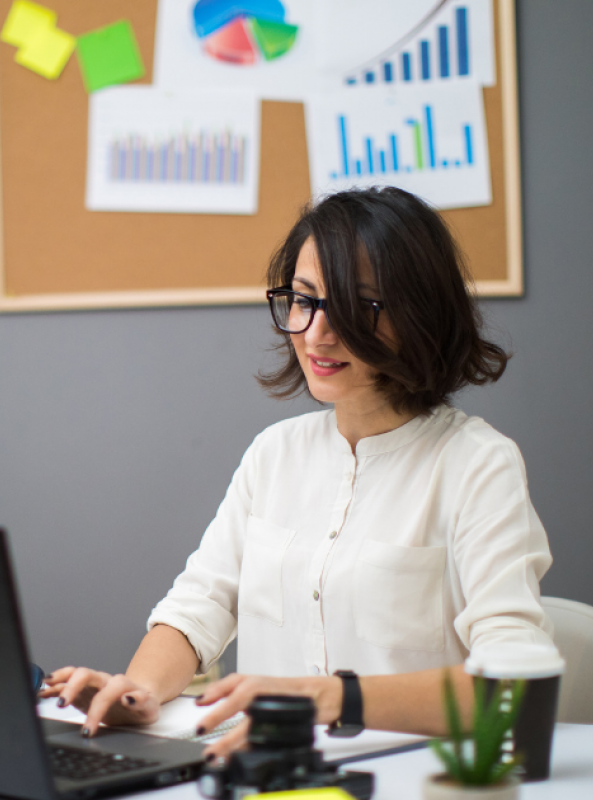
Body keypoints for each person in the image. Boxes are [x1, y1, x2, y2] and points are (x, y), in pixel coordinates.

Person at [40, 187, 555, 759]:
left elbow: (513, 688)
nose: (316, 334)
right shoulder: (275, 453)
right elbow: (198, 608)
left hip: (408, 779)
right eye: (304, 300)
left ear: (420, 313)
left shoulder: (477, 463)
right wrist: (138, 692)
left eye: (359, 307)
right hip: (266, 776)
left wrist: (325, 698)